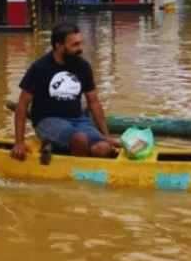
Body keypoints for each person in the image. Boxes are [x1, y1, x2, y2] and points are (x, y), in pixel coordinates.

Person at [11, 22, 116, 160]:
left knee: (103, 148)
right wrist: (19, 142)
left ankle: (88, 165)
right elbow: (22, 105)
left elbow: (94, 102)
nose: (80, 49)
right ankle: (78, 170)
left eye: (80, 43)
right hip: (47, 121)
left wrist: (106, 136)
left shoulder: (83, 66)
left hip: (78, 120)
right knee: (80, 140)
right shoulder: (39, 68)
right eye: (75, 45)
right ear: (59, 46)